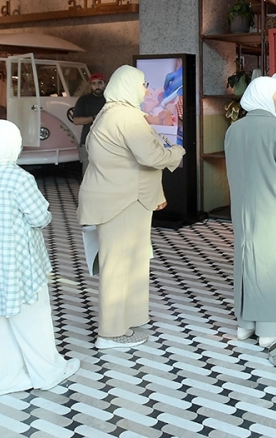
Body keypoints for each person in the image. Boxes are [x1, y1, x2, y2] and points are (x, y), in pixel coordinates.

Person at [0, 120, 80, 398]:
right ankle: (48, 372)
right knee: (33, 317)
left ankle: (5, 380)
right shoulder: (19, 178)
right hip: (18, 263)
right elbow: (40, 217)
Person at [78, 65, 186, 350]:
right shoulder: (126, 117)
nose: (147, 90)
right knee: (118, 265)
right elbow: (150, 156)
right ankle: (111, 332)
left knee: (133, 260)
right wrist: (176, 152)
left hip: (123, 198)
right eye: (143, 84)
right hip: (122, 200)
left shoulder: (109, 112)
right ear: (128, 86)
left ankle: (131, 317)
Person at [225, 76, 276, 347]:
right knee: (272, 266)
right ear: (265, 97)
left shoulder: (234, 129)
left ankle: (245, 324)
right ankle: (269, 329)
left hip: (242, 209)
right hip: (273, 210)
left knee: (246, 260)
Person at [71, 72, 106, 174]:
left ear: (105, 84)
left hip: (106, 140)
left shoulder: (109, 99)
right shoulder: (84, 100)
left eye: (100, 83)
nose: (97, 86)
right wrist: (94, 117)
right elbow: (76, 120)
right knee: (87, 171)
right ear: (90, 85)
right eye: (94, 83)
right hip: (88, 140)